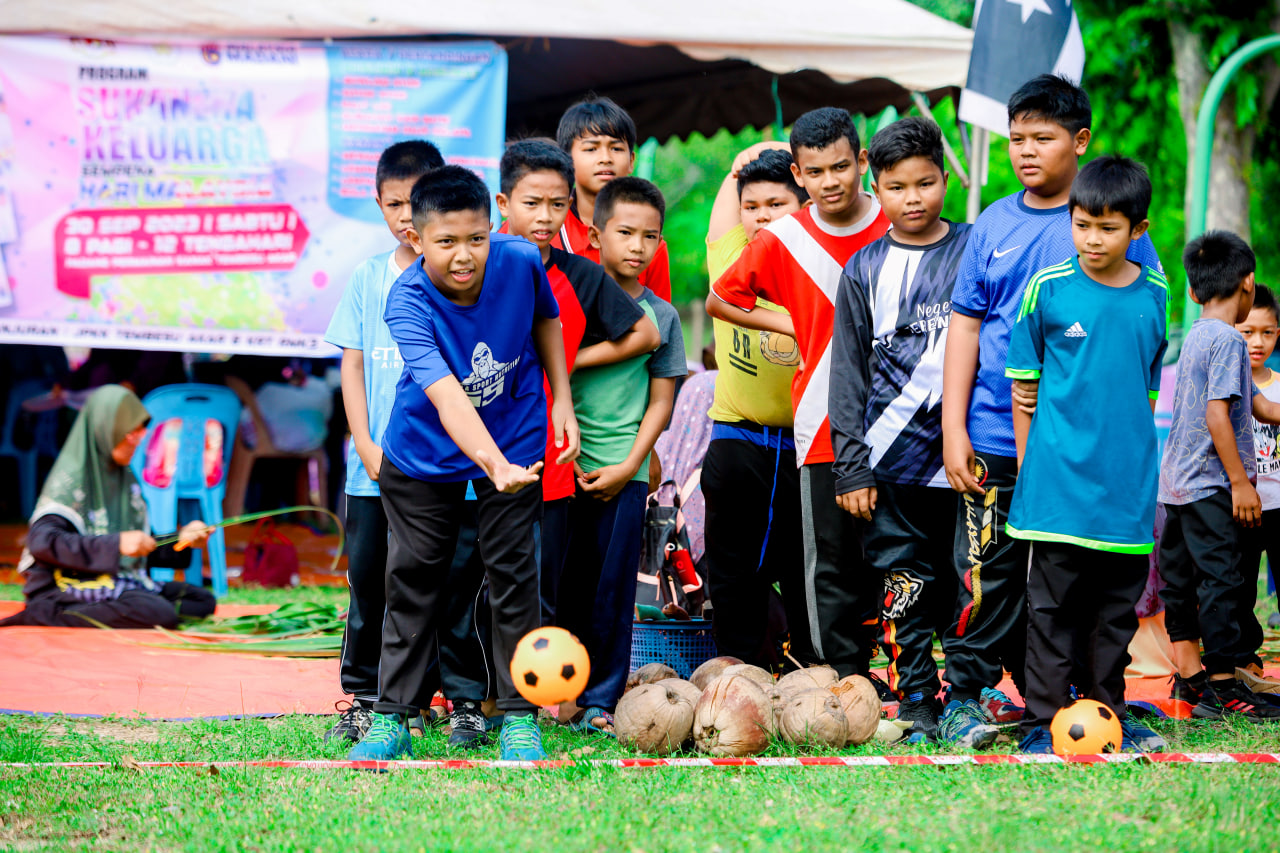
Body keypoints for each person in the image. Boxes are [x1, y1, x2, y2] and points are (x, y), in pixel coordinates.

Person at [939, 74, 1164, 748]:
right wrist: (953, 429)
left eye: (1042, 138)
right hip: (991, 434)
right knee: (987, 577)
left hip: (1086, 456)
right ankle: (969, 697)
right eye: (1015, 139)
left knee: (1081, 590)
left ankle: (1085, 707)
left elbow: (1138, 348)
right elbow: (967, 326)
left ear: (1081, 141)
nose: (1025, 151)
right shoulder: (994, 226)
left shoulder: (1125, 232)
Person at [345, 165, 578, 762]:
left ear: (491, 228)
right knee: (415, 576)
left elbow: (546, 321)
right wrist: (491, 462)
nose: (464, 255)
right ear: (418, 241)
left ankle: (519, 716)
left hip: (516, 429)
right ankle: (394, 715)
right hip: (424, 450)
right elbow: (447, 395)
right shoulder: (407, 300)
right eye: (446, 242)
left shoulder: (521, 260)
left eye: (476, 238)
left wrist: (561, 402)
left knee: (513, 573)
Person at [708, 107, 890, 680]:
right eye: (815, 170)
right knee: (827, 562)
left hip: (900, 421)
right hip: (817, 425)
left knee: (897, 557)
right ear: (800, 172)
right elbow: (721, 298)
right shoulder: (783, 237)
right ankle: (834, 679)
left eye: (841, 166)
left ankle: (915, 684)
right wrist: (797, 328)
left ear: (861, 162)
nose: (831, 180)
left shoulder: (895, 222)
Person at [1002, 157, 1169, 754]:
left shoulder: (1157, 295)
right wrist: (1031, 468)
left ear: (1138, 230)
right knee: (1050, 610)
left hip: (1125, 491)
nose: (1092, 239)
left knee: (1114, 616)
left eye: (1108, 228)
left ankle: (1110, 714)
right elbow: (1023, 386)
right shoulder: (1047, 289)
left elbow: (1143, 395)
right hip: (1056, 489)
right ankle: (1042, 723)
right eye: (1082, 225)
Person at [828, 117, 969, 742]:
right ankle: (915, 696)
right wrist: (851, 464)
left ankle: (969, 694)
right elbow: (848, 373)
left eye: (926, 183)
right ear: (875, 187)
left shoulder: (975, 248)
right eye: (896, 186)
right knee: (904, 583)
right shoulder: (862, 270)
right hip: (891, 464)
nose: (913, 198)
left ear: (945, 177)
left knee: (973, 578)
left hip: (970, 458)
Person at [496, 139, 660, 625]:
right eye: (532, 204)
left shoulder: (579, 274)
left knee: (548, 585)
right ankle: (478, 697)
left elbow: (645, 333)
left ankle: (539, 697)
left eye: (557, 204)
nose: (545, 216)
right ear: (503, 204)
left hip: (554, 451)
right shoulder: (476, 264)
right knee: (483, 579)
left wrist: (564, 363)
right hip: (481, 446)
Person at [322, 139, 444, 744]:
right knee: (369, 583)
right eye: (394, 203)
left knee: (427, 584)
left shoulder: (456, 281)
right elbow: (351, 366)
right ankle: (362, 695)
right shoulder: (368, 278)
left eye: (416, 202)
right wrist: (364, 444)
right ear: (378, 204)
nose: (405, 216)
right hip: (370, 469)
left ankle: (419, 698)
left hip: (437, 471)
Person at [556, 177, 686, 733]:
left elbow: (662, 400)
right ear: (594, 233)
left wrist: (633, 462)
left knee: (611, 593)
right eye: (625, 233)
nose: (637, 246)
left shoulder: (664, 316)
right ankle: (546, 693)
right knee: (557, 584)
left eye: (650, 236)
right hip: (557, 467)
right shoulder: (564, 300)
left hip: (623, 472)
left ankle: (598, 702)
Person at [1158, 231, 1280, 722]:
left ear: (1193, 292)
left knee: (1182, 582)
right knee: (1223, 581)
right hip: (1210, 485)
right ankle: (1227, 686)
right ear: (1248, 284)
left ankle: (1190, 682)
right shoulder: (1230, 339)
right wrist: (1241, 482)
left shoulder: (1195, 335)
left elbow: (1255, 405)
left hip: (1175, 485)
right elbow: (1216, 415)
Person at [701, 143, 813, 671]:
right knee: (731, 570)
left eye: (777, 204)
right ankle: (739, 676)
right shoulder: (729, 261)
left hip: (807, 450)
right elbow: (723, 212)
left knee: (806, 569)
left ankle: (812, 676)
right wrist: (739, 164)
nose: (762, 215)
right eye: (753, 206)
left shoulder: (822, 268)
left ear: (804, 205)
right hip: (738, 441)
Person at [0, 385, 215, 629]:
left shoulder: (125, 480)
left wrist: (183, 539)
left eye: (141, 429)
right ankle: (47, 614)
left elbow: (141, 546)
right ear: (105, 430)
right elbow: (42, 543)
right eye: (130, 430)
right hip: (66, 589)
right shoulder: (72, 482)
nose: (138, 437)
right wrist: (116, 544)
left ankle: (133, 608)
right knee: (156, 611)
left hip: (118, 582)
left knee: (201, 600)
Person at [554, 96, 672, 302]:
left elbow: (659, 322)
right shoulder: (542, 228)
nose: (605, 158)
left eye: (616, 148)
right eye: (591, 149)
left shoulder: (650, 244)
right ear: (566, 160)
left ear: (631, 161)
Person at [1236, 282, 1280, 693]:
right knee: (1240, 585)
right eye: (1247, 332)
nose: (1257, 341)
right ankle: (1244, 662)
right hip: (1241, 506)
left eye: (1267, 332)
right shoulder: (1225, 390)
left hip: (1278, 503)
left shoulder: (1279, 384)